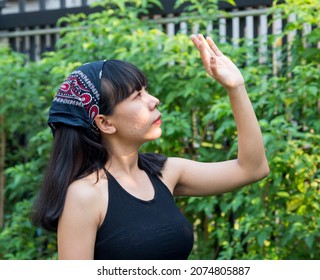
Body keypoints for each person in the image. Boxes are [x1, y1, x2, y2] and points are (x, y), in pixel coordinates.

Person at [31, 34, 269, 260]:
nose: (153, 100)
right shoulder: (85, 195)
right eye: (137, 96)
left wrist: (235, 87)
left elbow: (252, 168)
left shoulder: (165, 172)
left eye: (145, 90)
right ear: (105, 122)